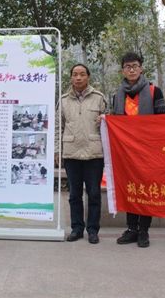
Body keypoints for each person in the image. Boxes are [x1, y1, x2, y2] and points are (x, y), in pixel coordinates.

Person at [113, 52, 165, 248]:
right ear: (122, 70)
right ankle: (131, 229)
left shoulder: (154, 91)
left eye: (135, 66)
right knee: (130, 188)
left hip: (149, 151)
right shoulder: (117, 95)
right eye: (127, 67)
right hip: (126, 152)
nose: (131, 70)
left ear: (141, 68)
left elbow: (164, 121)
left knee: (146, 190)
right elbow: (115, 123)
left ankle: (144, 230)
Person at [58, 64, 107, 244]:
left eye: (82, 74)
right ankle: (76, 228)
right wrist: (57, 150)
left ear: (88, 77)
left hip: (94, 153)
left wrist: (104, 119)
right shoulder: (63, 100)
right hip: (71, 153)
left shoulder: (99, 98)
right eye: (75, 74)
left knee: (94, 194)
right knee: (74, 195)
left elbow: (109, 124)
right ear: (71, 77)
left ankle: (93, 230)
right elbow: (57, 127)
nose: (78, 78)